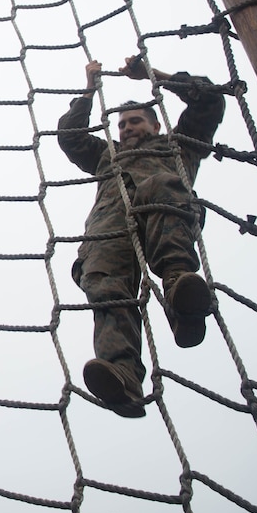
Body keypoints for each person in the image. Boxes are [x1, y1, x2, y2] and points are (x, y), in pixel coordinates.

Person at [57, 56, 225, 418]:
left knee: (160, 183)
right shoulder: (108, 156)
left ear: (154, 123)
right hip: (110, 227)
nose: (127, 128)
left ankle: (181, 294)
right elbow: (70, 137)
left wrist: (153, 75)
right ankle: (123, 375)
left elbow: (210, 98)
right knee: (102, 283)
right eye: (121, 125)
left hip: (164, 213)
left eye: (135, 121)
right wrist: (89, 91)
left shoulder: (178, 145)